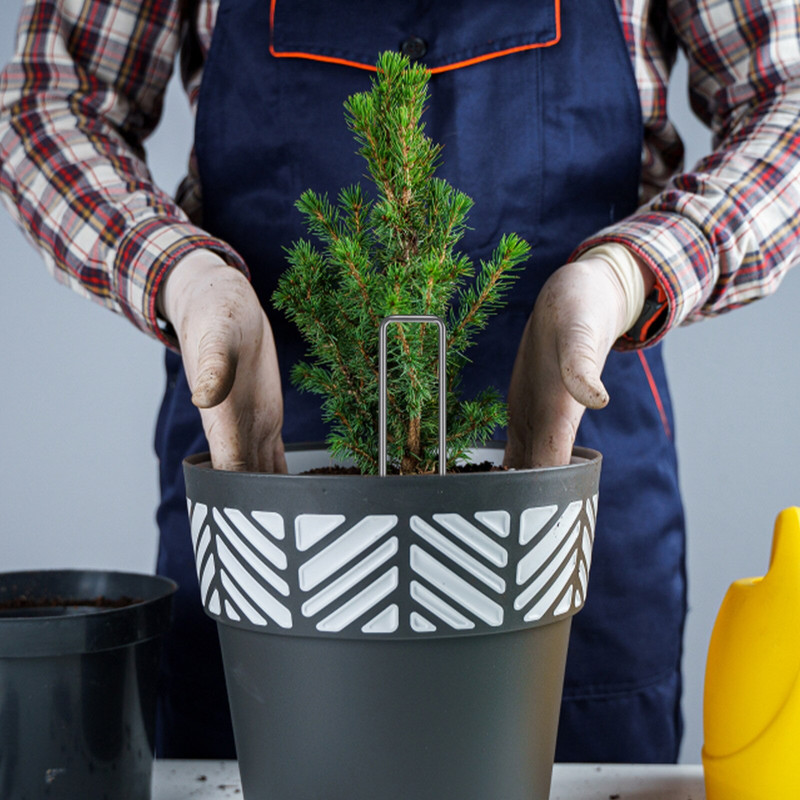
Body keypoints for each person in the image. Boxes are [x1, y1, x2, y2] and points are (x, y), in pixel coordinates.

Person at [1, 0, 799, 764]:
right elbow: (49, 97)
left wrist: (631, 275)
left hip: (570, 477)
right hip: (267, 473)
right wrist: (179, 276)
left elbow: (787, 97)